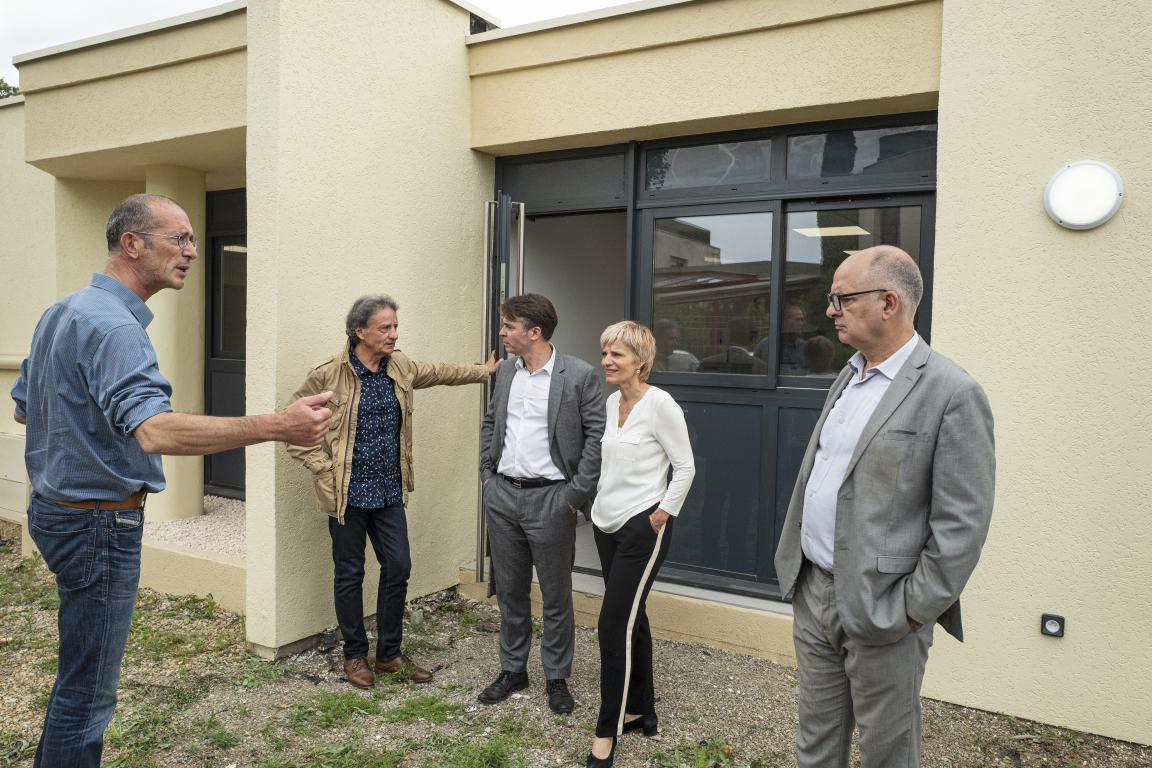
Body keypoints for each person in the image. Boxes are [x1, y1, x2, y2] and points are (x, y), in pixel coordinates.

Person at [10, 193, 332, 768]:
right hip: (96, 525)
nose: (192, 251)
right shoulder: (115, 327)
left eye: (192, 239)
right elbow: (155, 431)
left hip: (56, 511)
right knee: (88, 692)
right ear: (132, 243)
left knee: (78, 676)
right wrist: (279, 425)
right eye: (179, 238)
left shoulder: (64, 311)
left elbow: (24, 408)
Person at [773, 245, 995, 768]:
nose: (831, 310)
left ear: (888, 303)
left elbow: (962, 524)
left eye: (842, 299)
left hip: (885, 606)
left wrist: (913, 610)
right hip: (814, 590)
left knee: (887, 751)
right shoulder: (849, 375)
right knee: (815, 740)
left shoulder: (952, 392)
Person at [287, 294, 498, 689]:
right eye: (385, 327)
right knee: (349, 573)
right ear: (359, 330)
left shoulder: (399, 366)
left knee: (398, 566)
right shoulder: (328, 375)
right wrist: (323, 468)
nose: (394, 334)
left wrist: (482, 371)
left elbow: (438, 372)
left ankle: (388, 655)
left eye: (395, 326)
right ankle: (354, 655)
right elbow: (292, 425)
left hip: (388, 491)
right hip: (346, 494)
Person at [477, 293, 605, 714]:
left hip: (552, 499)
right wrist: (487, 476)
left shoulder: (579, 375)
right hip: (503, 495)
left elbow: (596, 438)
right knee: (510, 590)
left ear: (534, 332)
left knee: (556, 594)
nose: (502, 332)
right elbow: (492, 422)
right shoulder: (506, 371)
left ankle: (556, 677)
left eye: (509, 326)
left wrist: (574, 495)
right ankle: (513, 670)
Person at [586, 321, 695, 768]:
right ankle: (640, 710)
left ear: (641, 361)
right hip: (605, 524)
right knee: (634, 615)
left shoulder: (660, 404)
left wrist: (661, 514)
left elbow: (685, 467)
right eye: (605, 352)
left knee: (612, 624)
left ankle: (606, 731)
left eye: (617, 354)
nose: (607, 361)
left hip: (641, 528)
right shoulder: (612, 402)